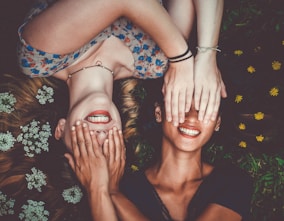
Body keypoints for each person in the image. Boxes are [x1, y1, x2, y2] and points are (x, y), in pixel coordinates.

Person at [17, 0, 227, 151]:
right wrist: (207, 56)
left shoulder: (38, 58)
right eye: (109, 146)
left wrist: (182, 59)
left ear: (61, 129)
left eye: (86, 144)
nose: (100, 135)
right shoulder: (152, 64)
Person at [67, 79, 253, 221]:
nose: (192, 117)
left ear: (217, 122)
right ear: (159, 113)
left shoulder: (233, 182)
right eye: (180, 103)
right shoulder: (129, 189)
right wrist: (102, 190)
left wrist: (109, 193)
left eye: (205, 108)